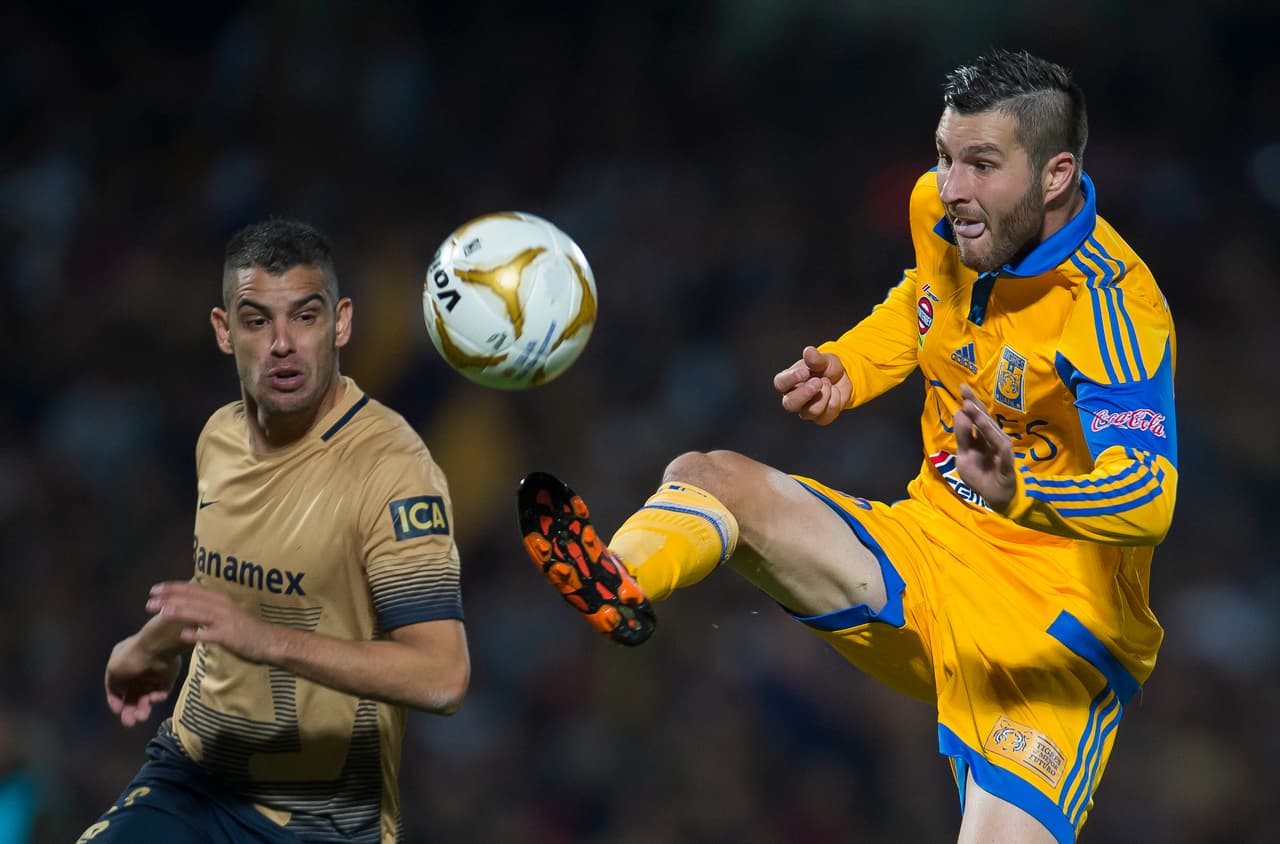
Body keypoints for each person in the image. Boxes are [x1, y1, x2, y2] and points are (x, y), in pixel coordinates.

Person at [518, 49, 1176, 844]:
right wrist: (853, 367)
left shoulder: (1113, 307)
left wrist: (1022, 494)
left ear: (1056, 174)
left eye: (982, 164)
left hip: (1051, 641)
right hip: (929, 552)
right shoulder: (943, 211)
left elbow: (1148, 494)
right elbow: (921, 300)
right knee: (711, 478)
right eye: (944, 155)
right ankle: (621, 580)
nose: (953, 187)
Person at [80, 219, 470, 843]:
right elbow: (233, 583)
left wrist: (269, 642)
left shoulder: (393, 471)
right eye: (257, 320)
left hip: (320, 819)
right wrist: (152, 644)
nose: (282, 343)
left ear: (341, 323)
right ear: (223, 330)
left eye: (305, 317)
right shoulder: (219, 437)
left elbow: (442, 675)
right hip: (191, 776)